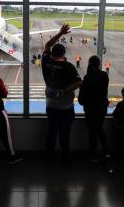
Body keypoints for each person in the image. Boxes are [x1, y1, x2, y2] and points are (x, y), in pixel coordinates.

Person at [42, 24, 82, 165]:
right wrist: (64, 91)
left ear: (52, 53)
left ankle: (49, 158)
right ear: (64, 55)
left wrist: (60, 34)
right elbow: (78, 82)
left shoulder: (45, 61)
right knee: (65, 135)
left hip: (51, 105)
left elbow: (47, 44)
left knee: (51, 133)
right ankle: (65, 160)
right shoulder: (68, 66)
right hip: (66, 108)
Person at [78, 55, 109, 161]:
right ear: (99, 64)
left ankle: (93, 154)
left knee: (92, 132)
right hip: (101, 108)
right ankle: (106, 151)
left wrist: (82, 86)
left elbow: (83, 96)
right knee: (100, 129)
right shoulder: (105, 76)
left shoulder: (87, 77)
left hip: (90, 109)